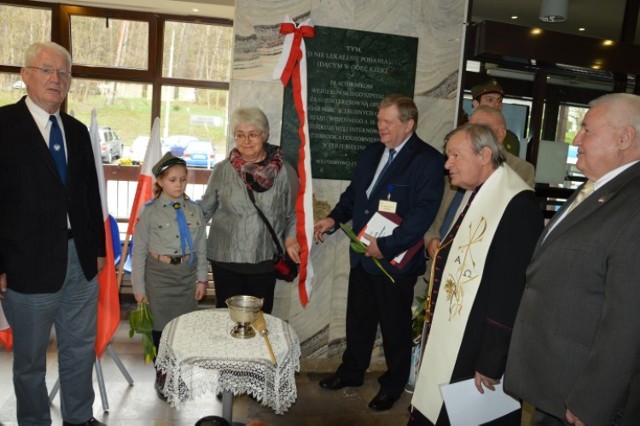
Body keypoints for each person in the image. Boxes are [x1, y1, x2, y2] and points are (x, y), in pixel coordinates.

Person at [505, 93, 640, 425]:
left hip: (583, 398)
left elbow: (628, 321)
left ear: (625, 138)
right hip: (554, 382)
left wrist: (592, 401)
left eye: (586, 130)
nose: (576, 139)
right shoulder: (595, 187)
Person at [313, 94, 445, 412]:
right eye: (378, 120)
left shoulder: (427, 160)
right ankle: (351, 372)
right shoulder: (372, 152)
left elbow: (422, 215)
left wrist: (384, 247)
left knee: (394, 327)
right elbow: (356, 195)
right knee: (358, 319)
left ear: (408, 124)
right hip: (362, 253)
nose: (380, 127)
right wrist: (334, 218)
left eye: (387, 121)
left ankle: (393, 384)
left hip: (394, 262)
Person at [0, 41, 106, 426]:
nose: (56, 79)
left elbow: (89, 196)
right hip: (26, 267)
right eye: (46, 70)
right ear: (25, 75)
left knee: (79, 349)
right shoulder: (3, 127)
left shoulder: (77, 132)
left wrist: (95, 248)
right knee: (29, 362)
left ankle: (79, 418)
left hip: (80, 263)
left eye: (63, 72)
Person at [409, 123, 543, 425]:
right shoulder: (477, 193)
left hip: (477, 345)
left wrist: (491, 360)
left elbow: (510, 291)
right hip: (459, 334)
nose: (447, 164)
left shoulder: (516, 205)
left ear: (484, 155)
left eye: (455, 155)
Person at [198, 107, 300, 314]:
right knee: (226, 319)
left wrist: (290, 239)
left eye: (252, 134)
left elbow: (294, 212)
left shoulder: (285, 172)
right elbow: (204, 208)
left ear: (265, 135)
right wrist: (174, 216)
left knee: (258, 320)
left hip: (263, 259)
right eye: (240, 135)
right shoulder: (222, 170)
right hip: (225, 259)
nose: (246, 141)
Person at [131, 152, 208, 399]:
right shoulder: (150, 212)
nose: (179, 184)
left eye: (183, 179)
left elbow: (201, 248)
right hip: (159, 276)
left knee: (182, 329)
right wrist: (139, 289)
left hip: (186, 275)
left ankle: (177, 372)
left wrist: (202, 279)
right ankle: (163, 375)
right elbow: (139, 251)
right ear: (161, 181)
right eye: (173, 180)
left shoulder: (195, 211)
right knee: (160, 329)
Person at [425, 105, 535, 259]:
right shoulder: (457, 167)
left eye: (482, 128)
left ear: (501, 134)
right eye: (470, 126)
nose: (473, 132)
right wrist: (431, 238)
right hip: (439, 261)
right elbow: (436, 211)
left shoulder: (519, 171)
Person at [471, 79, 521, 157]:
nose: (496, 105)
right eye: (490, 100)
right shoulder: (463, 134)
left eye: (499, 101)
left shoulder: (511, 139)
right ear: (476, 104)